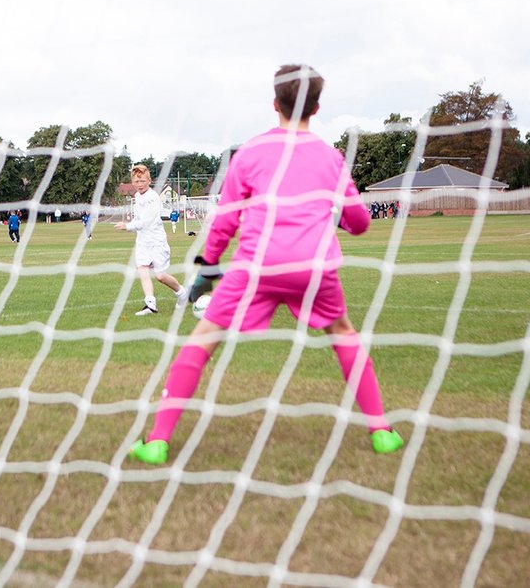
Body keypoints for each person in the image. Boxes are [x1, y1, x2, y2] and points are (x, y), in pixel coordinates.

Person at [129, 64, 404, 465]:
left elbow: (225, 221)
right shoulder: (330, 157)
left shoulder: (252, 152)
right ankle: (381, 432)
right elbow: (360, 222)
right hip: (313, 267)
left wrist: (208, 266)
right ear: (317, 108)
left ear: (275, 103)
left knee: (201, 342)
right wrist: (339, 217)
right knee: (344, 334)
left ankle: (157, 441)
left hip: (256, 266)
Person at [115, 164, 189, 316]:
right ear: (132, 182)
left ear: (149, 181)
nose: (140, 184)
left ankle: (182, 293)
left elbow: (145, 222)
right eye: (136, 181)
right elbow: (138, 218)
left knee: (161, 276)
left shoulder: (153, 198)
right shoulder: (137, 196)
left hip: (157, 242)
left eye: (143, 181)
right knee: (142, 270)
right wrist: (130, 224)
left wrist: (127, 226)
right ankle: (150, 305)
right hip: (142, 242)